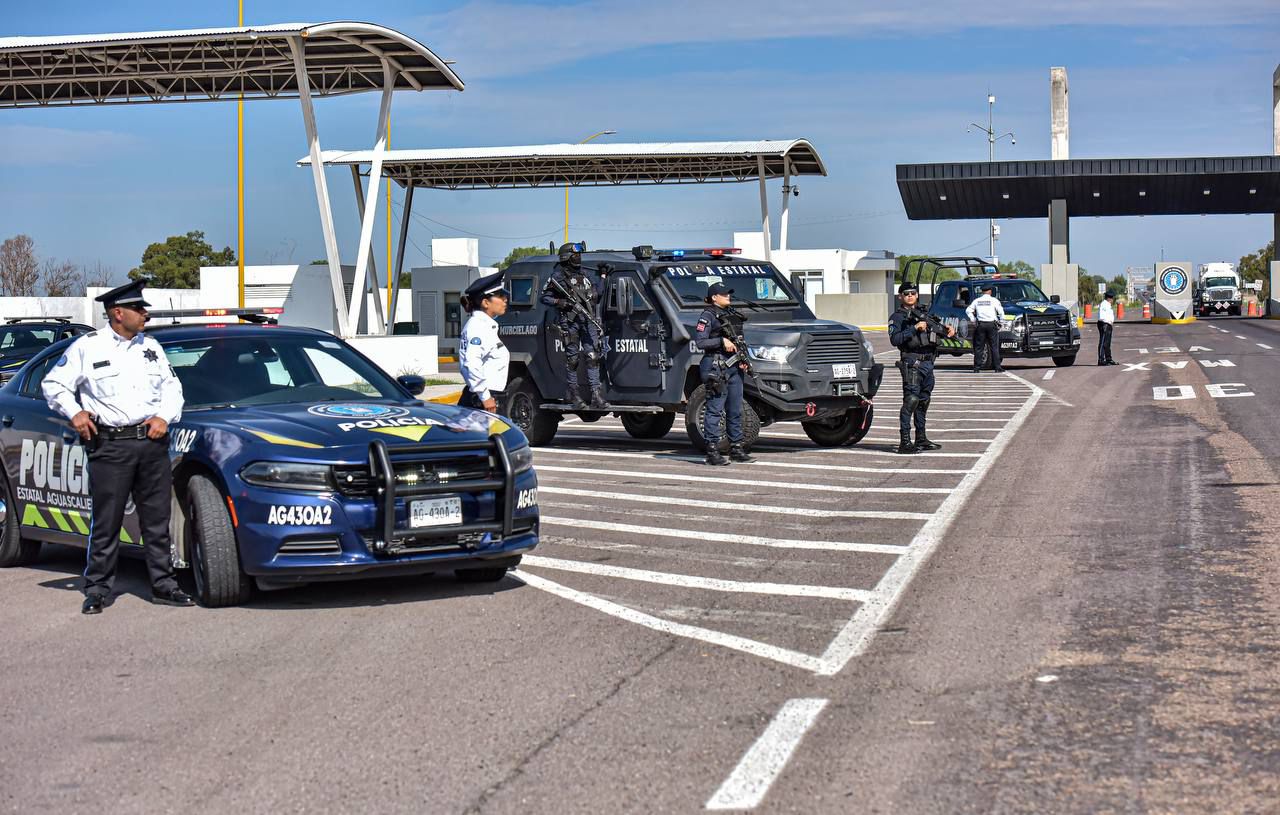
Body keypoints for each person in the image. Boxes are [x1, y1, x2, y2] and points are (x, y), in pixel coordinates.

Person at [41, 280, 190, 615]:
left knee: (157, 520)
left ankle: (164, 585)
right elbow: (53, 384)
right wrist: (75, 412)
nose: (145, 314)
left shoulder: (151, 347)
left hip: (151, 444)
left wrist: (164, 416)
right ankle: (97, 588)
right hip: (111, 446)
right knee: (107, 522)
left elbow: (173, 388)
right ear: (118, 313)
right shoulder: (88, 347)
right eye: (139, 309)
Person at [889, 281, 956, 455]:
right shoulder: (897, 317)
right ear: (900, 296)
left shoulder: (924, 314)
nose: (910, 296)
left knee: (923, 401)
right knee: (911, 401)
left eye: (913, 293)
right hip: (912, 362)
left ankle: (921, 438)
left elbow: (936, 330)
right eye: (906, 293)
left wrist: (948, 330)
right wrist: (914, 328)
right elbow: (895, 340)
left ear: (917, 295)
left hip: (928, 363)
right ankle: (905, 442)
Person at [693, 282, 755, 466]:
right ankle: (712, 451)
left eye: (728, 293)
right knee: (715, 409)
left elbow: (739, 340)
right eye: (724, 294)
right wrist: (721, 341)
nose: (728, 296)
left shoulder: (730, 314)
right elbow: (700, 342)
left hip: (734, 366)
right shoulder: (707, 316)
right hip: (716, 366)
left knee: (735, 409)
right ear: (714, 297)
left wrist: (743, 360)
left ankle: (736, 448)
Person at [540, 242, 606, 410]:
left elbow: (597, 294)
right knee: (573, 359)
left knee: (592, 356)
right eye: (575, 255)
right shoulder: (558, 277)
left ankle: (596, 394)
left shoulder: (585, 274)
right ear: (567, 257)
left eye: (579, 255)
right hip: (570, 322)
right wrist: (560, 302)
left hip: (587, 320)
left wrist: (603, 276)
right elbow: (544, 297)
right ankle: (574, 394)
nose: (579, 258)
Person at [458, 270, 511, 411]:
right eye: (500, 296)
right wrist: (485, 397)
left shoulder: (484, 325)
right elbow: (471, 364)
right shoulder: (478, 327)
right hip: (482, 401)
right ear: (486, 302)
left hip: (485, 398)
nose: (505, 299)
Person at [965, 281, 1006, 373]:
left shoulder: (977, 301)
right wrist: (1001, 322)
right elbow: (1001, 313)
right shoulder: (994, 300)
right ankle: (997, 367)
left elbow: (968, 310)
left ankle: (976, 368)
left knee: (979, 347)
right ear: (990, 291)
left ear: (982, 291)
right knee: (994, 347)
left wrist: (973, 319)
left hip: (981, 325)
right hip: (992, 325)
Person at [1097, 290, 1117, 366]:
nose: (1112, 300)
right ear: (1109, 298)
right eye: (1112, 298)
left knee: (1107, 343)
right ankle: (1101, 360)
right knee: (1103, 343)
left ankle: (1108, 359)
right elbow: (1101, 317)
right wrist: (1108, 322)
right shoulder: (1104, 304)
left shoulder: (1108, 304)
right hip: (1104, 324)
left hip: (1108, 325)